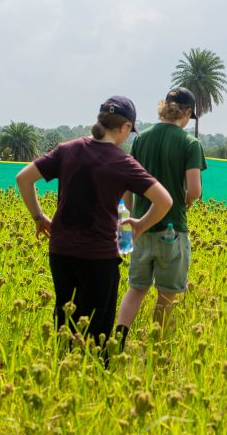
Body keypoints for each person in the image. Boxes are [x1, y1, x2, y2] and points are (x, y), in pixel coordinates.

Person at [15, 96, 172, 354]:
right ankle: (94, 372)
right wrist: (140, 225)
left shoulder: (67, 149)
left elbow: (24, 178)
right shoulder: (123, 162)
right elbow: (164, 200)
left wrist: (39, 217)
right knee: (97, 331)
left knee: (65, 320)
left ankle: (62, 368)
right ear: (125, 127)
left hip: (61, 252)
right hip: (99, 257)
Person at [115, 87, 207, 348]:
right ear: (186, 112)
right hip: (172, 229)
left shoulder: (140, 140)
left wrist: (132, 217)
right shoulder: (190, 143)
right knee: (166, 295)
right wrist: (185, 202)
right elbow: (195, 191)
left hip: (140, 228)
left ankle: (118, 341)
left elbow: (127, 187)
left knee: (136, 288)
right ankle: (157, 349)